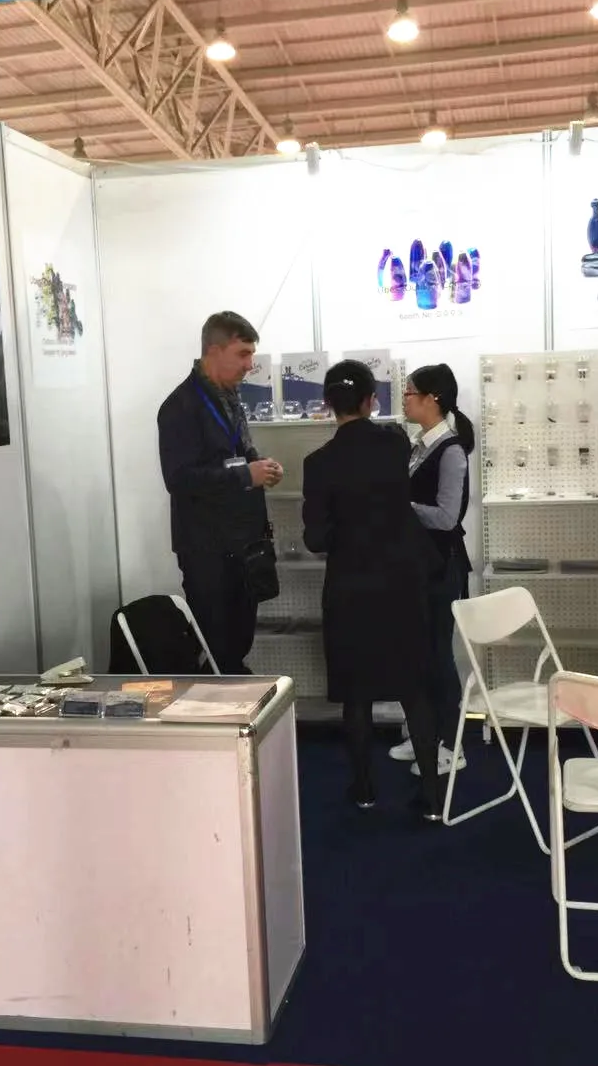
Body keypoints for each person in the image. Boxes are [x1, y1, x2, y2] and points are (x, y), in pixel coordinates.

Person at [302, 360, 442, 820]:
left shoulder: (318, 463)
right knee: (414, 689)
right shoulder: (395, 442)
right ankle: (431, 797)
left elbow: (315, 539)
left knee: (356, 694)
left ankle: (364, 789)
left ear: (327, 403)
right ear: (371, 401)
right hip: (402, 581)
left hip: (350, 587)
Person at [158, 312, 283, 674]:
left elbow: (236, 453)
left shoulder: (230, 397)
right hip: (207, 551)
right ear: (214, 350)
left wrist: (261, 466)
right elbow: (179, 479)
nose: (249, 365)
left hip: (244, 544)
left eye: (251, 354)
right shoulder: (180, 407)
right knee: (217, 646)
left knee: (239, 641)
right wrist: (245, 475)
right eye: (242, 354)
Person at [391, 364, 475, 775]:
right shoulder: (418, 445)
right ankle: (423, 734)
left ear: (431, 398)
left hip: (441, 567)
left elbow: (446, 517)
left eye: (409, 393)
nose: (404, 400)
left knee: (439, 654)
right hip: (417, 566)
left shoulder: (451, 451)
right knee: (419, 653)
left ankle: (450, 743)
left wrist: (399, 506)